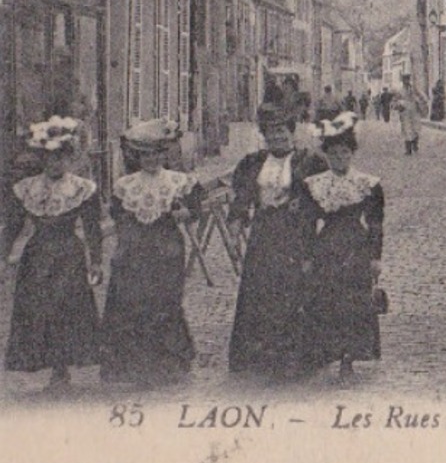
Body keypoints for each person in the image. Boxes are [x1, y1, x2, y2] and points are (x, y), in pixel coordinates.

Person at [101, 119, 204, 387]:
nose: (151, 160)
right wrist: (124, 242)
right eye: (145, 155)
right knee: (133, 301)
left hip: (167, 248)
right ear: (138, 157)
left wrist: (186, 213)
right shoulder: (126, 185)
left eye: (156, 154)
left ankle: (168, 362)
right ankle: (134, 363)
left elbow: (196, 208)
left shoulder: (178, 182)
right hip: (135, 249)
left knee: (165, 302)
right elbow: (118, 215)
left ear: (164, 155)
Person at [227, 102, 325, 381]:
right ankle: (259, 357)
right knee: (261, 292)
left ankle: (294, 358)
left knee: (294, 292)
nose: (277, 139)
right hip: (264, 236)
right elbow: (242, 199)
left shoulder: (309, 162)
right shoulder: (253, 164)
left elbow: (323, 199)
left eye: (282, 133)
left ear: (292, 133)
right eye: (271, 134)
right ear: (265, 136)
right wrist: (235, 228)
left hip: (296, 236)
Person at [4, 117, 102, 393]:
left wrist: (95, 261)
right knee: (39, 312)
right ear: (41, 160)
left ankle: (62, 369)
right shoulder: (27, 189)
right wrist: (2, 257)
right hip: (36, 258)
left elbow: (93, 229)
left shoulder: (82, 189)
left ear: (70, 159)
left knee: (66, 310)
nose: (54, 164)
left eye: (60, 158)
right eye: (49, 159)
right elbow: (12, 227)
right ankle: (46, 364)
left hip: (68, 256)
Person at [304, 113, 384, 384]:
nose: (340, 158)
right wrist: (308, 254)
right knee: (328, 301)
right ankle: (330, 353)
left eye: (345, 153)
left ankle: (350, 357)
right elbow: (308, 222)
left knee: (355, 303)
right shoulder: (316, 185)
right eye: (334, 154)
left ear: (352, 154)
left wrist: (375, 257)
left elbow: (375, 223)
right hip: (327, 246)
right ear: (327, 155)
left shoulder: (367, 185)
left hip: (356, 246)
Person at [397, 75, 429, 157]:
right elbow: (395, 101)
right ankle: (408, 149)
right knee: (407, 130)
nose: (406, 82)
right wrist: (399, 105)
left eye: (407, 80)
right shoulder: (400, 91)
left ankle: (415, 145)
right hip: (405, 112)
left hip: (415, 111)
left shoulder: (414, 89)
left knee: (416, 129)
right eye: (404, 80)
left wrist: (422, 102)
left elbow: (423, 97)